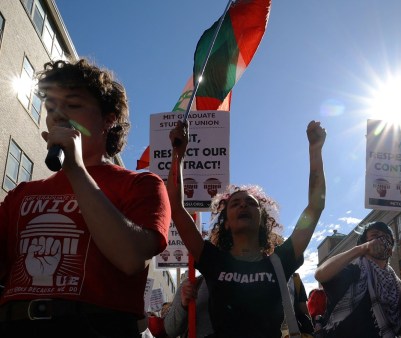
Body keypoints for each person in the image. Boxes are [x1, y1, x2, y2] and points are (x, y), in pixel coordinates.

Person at [0, 59, 171, 337]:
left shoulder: (141, 184)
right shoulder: (21, 193)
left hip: (95, 327)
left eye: (73, 104)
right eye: (51, 107)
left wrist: (77, 170)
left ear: (108, 119)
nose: (58, 115)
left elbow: (130, 258)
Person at [166, 120, 326, 337]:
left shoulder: (280, 261)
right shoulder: (212, 259)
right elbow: (175, 206)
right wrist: (178, 154)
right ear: (226, 222)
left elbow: (315, 206)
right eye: (235, 203)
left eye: (251, 203)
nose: (243, 205)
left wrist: (315, 150)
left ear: (262, 219)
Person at [314, 221, 401, 338]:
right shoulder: (353, 271)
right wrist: (362, 249)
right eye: (374, 236)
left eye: (387, 237)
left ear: (390, 251)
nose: (381, 240)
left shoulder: (397, 284)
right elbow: (320, 274)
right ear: (364, 243)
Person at [288, 272, 315, 336]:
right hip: (294, 326)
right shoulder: (295, 278)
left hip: (270, 326)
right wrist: (311, 320)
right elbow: (302, 306)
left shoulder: (262, 275)